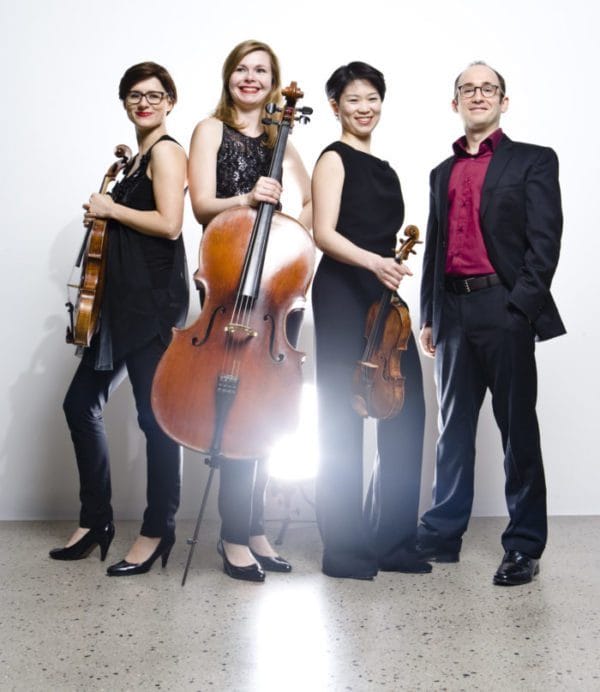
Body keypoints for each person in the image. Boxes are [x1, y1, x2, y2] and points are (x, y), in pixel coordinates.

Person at [418, 61, 565, 586]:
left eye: (488, 88)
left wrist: (519, 307)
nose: (477, 95)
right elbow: (435, 248)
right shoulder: (442, 172)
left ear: (504, 101)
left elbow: (545, 242)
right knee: (452, 430)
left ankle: (523, 545)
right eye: (467, 88)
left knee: (516, 430)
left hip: (504, 308)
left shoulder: (533, 161)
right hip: (452, 312)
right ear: (454, 102)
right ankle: (441, 535)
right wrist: (429, 315)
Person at [50, 62, 189, 577]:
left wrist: (111, 210)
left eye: (154, 94)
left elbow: (170, 225)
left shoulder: (168, 152)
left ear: (170, 101)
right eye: (134, 95)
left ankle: (158, 529)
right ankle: (96, 521)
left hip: (151, 305)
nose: (144, 102)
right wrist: (107, 215)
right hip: (119, 305)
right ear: (125, 103)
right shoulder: (135, 162)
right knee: (79, 404)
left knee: (155, 421)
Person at [188, 39, 311, 583]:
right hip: (228, 284)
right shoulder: (210, 130)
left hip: (276, 293)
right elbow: (200, 206)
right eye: (242, 68)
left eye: (261, 70)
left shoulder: (283, 140)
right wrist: (247, 198)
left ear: (274, 82)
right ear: (228, 76)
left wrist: (291, 224)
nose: (251, 77)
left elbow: (309, 202)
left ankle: (255, 527)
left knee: (265, 409)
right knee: (235, 412)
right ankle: (233, 534)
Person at [311, 61, 431, 580]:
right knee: (341, 417)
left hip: (383, 299)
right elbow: (323, 233)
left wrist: (385, 267)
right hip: (343, 291)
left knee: (406, 408)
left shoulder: (385, 168)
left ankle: (394, 542)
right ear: (335, 106)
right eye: (353, 99)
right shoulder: (332, 159)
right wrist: (375, 263)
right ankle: (344, 549)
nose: (364, 108)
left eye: (372, 98)